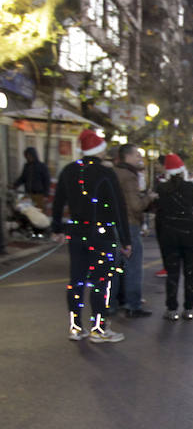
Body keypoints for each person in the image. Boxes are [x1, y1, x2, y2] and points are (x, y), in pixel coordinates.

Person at [51, 129, 132, 343]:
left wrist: (57, 229)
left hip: (76, 232)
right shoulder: (106, 173)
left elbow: (58, 201)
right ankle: (99, 328)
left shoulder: (68, 170)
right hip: (102, 234)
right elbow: (118, 207)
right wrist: (125, 239)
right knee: (101, 281)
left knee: (76, 281)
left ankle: (76, 327)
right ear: (99, 150)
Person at [156, 154, 193, 320]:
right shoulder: (190, 186)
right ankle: (189, 308)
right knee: (190, 272)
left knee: (172, 273)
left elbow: (159, 212)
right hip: (190, 234)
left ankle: (172, 309)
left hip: (169, 235)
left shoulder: (161, 188)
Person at [113, 144, 156, 318]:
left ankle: (111, 303)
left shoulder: (114, 173)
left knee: (114, 266)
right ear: (128, 156)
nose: (140, 158)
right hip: (129, 224)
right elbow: (136, 205)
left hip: (114, 223)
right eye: (137, 155)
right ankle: (133, 304)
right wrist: (149, 197)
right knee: (133, 266)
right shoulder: (130, 176)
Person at [13, 147, 51, 215]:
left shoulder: (42, 166)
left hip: (39, 195)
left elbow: (47, 181)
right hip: (28, 194)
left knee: (39, 213)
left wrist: (46, 195)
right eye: (27, 156)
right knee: (27, 213)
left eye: (30, 155)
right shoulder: (27, 166)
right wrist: (15, 185)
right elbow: (23, 178)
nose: (29, 157)